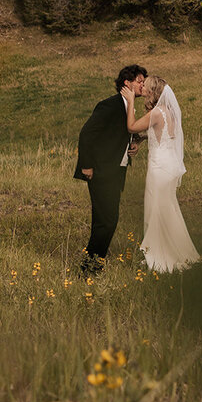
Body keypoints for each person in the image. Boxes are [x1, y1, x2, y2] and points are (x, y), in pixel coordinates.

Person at [123, 75, 202, 273]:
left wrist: (130, 102)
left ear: (153, 91)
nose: (142, 86)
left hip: (159, 168)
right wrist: (143, 139)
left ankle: (160, 255)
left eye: (145, 85)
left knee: (157, 210)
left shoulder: (156, 112)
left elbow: (131, 126)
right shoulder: (168, 112)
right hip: (168, 165)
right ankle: (170, 249)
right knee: (166, 209)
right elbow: (161, 135)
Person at [74, 64, 147, 274]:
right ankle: (89, 269)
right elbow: (87, 134)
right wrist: (86, 165)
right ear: (127, 82)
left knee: (108, 220)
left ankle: (94, 266)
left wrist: (133, 144)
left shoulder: (128, 106)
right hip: (101, 171)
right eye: (139, 81)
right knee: (105, 221)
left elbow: (119, 133)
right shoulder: (109, 105)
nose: (143, 85)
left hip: (116, 172)